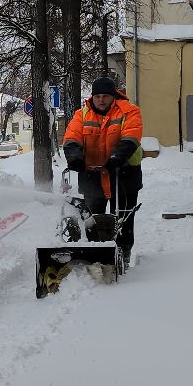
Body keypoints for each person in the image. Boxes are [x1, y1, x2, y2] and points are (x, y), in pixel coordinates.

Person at [62, 77, 144, 258]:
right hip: (92, 175)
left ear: (113, 96)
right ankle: (94, 251)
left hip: (123, 174)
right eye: (97, 96)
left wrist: (116, 158)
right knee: (91, 217)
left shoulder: (129, 111)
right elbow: (72, 137)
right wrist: (74, 158)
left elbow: (131, 137)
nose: (101, 100)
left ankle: (123, 252)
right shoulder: (82, 115)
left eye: (105, 96)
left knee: (123, 218)